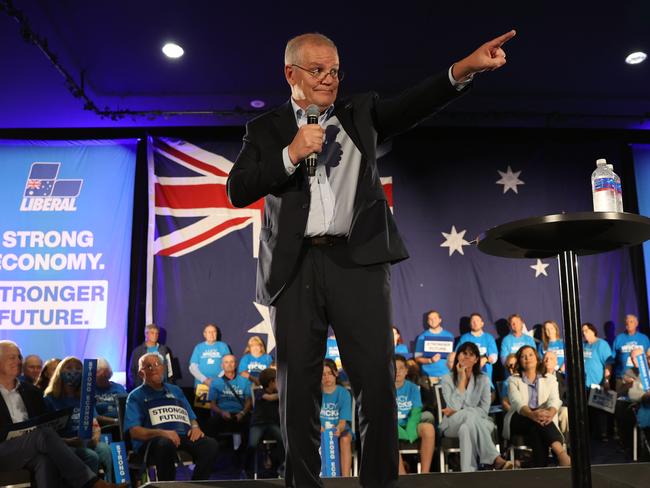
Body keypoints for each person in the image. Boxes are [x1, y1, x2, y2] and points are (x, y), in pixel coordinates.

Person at [226, 30, 515, 488]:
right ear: (291, 74)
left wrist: (464, 68)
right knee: (298, 393)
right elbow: (238, 189)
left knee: (376, 384)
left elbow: (413, 104)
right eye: (317, 70)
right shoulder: (265, 130)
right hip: (294, 269)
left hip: (357, 264)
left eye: (335, 71)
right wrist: (291, 152)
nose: (328, 79)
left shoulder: (359, 113)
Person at [0, 341, 125, 488]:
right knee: (43, 434)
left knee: (45, 461)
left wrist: (72, 441)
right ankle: (92, 483)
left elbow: (45, 426)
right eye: (12, 357)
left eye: (19, 357)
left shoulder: (31, 392)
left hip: (29, 450)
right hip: (4, 450)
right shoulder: (48, 396)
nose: (19, 361)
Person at [124, 352, 218, 481]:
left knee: (210, 444)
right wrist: (162, 433)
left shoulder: (176, 390)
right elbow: (135, 432)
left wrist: (195, 427)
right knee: (165, 443)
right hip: (153, 441)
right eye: (149, 366)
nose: (154, 368)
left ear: (163, 368)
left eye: (157, 364)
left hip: (182, 436)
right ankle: (167, 484)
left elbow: (191, 416)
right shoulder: (135, 396)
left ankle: (198, 484)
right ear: (141, 373)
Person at [439, 342, 510, 471]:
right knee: (469, 414)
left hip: (480, 421)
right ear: (458, 356)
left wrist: (464, 410)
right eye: (464, 353)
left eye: (471, 354)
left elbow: (484, 410)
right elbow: (453, 406)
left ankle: (468, 474)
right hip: (452, 424)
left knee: (466, 428)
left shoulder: (483, 379)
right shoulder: (447, 379)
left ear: (476, 359)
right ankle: (494, 458)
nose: (466, 357)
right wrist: (461, 380)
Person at [44, 356, 114, 481]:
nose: (74, 372)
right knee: (91, 456)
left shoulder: (85, 397)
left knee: (105, 450)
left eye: (78, 369)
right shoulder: (49, 400)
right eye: (69, 368)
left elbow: (94, 423)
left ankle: (108, 483)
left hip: (84, 441)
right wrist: (70, 441)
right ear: (60, 372)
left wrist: (95, 436)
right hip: (63, 444)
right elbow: (46, 434)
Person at [503, 345, 570, 468]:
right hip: (519, 417)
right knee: (537, 419)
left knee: (536, 428)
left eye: (530, 355)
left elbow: (555, 400)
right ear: (520, 361)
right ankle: (561, 454)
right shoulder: (513, 380)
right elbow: (516, 402)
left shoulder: (550, 378)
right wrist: (531, 414)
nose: (527, 358)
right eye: (523, 356)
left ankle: (535, 465)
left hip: (543, 418)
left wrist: (551, 412)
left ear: (537, 358)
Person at [394, 355, 434, 473]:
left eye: (401, 368)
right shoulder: (384, 388)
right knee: (387, 433)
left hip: (409, 424)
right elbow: (384, 415)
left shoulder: (413, 388)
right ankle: (403, 477)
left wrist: (410, 429)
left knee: (429, 428)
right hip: (391, 427)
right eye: (394, 368)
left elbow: (416, 411)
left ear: (406, 371)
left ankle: (424, 475)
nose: (398, 372)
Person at [207, 354, 252, 459]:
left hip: (240, 414)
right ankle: (211, 459)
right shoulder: (215, 382)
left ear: (235, 364)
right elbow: (212, 405)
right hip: (222, 414)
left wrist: (242, 413)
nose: (229, 364)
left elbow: (248, 402)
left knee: (252, 427)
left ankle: (241, 457)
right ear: (222, 366)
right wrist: (221, 412)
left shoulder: (244, 381)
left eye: (232, 362)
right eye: (226, 362)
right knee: (210, 425)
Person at [245, 367, 285, 478]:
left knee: (283, 439)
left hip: (272, 424)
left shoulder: (278, 392)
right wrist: (284, 394)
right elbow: (270, 398)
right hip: (258, 424)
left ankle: (282, 465)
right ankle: (247, 467)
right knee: (252, 444)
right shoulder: (259, 392)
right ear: (271, 382)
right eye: (276, 381)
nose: (278, 383)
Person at [320, 359, 353, 477]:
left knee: (345, 440)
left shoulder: (343, 393)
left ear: (336, 373)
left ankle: (345, 479)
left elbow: (343, 421)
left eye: (329, 373)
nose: (327, 378)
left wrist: (338, 429)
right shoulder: (315, 393)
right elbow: (312, 418)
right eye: (323, 374)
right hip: (320, 430)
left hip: (340, 429)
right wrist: (321, 428)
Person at [582, 322, 614, 441]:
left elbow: (608, 363)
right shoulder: (583, 345)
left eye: (586, 330)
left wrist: (606, 380)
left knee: (600, 411)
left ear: (593, 330)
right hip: (584, 384)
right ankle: (591, 435)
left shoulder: (601, 344)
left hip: (597, 383)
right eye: (583, 331)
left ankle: (603, 435)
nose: (584, 333)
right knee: (589, 412)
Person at [128, 323, 174, 390]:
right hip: (143, 389)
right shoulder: (137, 352)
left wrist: (169, 385)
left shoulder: (164, 350)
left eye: (157, 333)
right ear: (146, 334)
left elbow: (170, 370)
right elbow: (132, 372)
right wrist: (138, 386)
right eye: (152, 333)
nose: (155, 335)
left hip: (162, 388)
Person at [454, 313, 498, 382]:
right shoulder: (464, 338)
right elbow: (457, 355)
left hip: (485, 377)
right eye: (473, 321)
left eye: (477, 320)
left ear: (482, 323)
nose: (475, 323)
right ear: (470, 324)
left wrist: (487, 359)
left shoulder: (488, 337)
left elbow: (494, 356)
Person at [612, 314, 650, 393]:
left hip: (640, 378)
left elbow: (648, 356)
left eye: (631, 322)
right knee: (621, 403)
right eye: (627, 322)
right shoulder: (619, 338)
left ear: (636, 324)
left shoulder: (644, 338)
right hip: (622, 378)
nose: (628, 324)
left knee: (640, 402)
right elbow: (612, 358)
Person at [415, 310, 455, 384]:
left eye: (435, 318)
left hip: (446, 376)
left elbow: (454, 356)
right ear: (427, 321)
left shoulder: (449, 336)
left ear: (440, 320)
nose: (433, 320)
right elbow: (417, 358)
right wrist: (430, 360)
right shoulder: (422, 337)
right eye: (430, 319)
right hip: (428, 376)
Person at [94, 358, 127, 431]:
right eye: (100, 377)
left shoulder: (119, 387)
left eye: (106, 376)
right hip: (103, 428)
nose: (104, 379)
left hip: (122, 425)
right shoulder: (91, 391)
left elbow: (127, 407)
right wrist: (116, 421)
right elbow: (94, 416)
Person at [542, 351, 568, 435]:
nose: (548, 360)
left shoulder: (562, 378)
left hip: (558, 407)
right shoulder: (538, 377)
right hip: (543, 407)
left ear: (556, 362)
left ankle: (565, 442)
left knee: (565, 412)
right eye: (546, 358)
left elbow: (565, 397)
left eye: (551, 359)